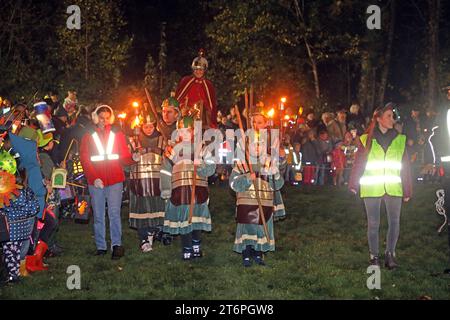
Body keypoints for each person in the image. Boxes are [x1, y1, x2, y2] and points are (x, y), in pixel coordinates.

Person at [349, 103, 412, 269]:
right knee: (373, 224)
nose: (392, 119)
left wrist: (407, 189)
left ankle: (390, 255)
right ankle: (374, 256)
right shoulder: (366, 139)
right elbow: (359, 164)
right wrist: (353, 183)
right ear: (378, 119)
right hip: (372, 187)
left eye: (393, 116)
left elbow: (405, 166)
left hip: (394, 188)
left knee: (394, 222)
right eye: (389, 116)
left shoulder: (400, 139)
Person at [230, 108, 284, 267]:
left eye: (259, 122)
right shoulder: (243, 159)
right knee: (247, 225)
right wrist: (248, 176)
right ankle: (246, 253)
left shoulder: (269, 154)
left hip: (265, 200)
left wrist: (275, 173)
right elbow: (233, 182)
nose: (255, 125)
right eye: (253, 122)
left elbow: (278, 184)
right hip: (247, 200)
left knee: (262, 225)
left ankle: (258, 254)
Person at [80, 105, 135, 259]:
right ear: (96, 118)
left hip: (115, 179)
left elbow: (123, 155)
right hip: (96, 181)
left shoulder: (117, 134)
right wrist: (93, 177)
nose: (104, 120)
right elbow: (85, 158)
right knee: (98, 214)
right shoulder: (88, 135)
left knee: (114, 213)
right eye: (101, 117)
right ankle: (101, 246)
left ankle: (116, 245)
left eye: (106, 117)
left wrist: (133, 159)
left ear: (110, 118)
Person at [160, 116, 216, 261]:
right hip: (180, 191)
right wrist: (166, 188)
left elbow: (211, 169)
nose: (184, 134)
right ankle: (186, 248)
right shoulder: (172, 150)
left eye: (187, 131)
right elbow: (166, 170)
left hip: (198, 191)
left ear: (193, 132)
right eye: (181, 131)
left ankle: (196, 245)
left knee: (196, 219)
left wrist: (201, 164)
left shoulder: (201, 148)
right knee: (184, 220)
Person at [128, 113, 167, 252]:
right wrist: (132, 157)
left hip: (157, 180)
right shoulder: (133, 140)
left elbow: (168, 158)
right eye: (146, 126)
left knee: (157, 207)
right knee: (142, 208)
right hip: (140, 181)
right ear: (141, 126)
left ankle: (155, 232)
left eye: (151, 126)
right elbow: (127, 160)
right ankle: (144, 238)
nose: (149, 129)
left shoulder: (162, 139)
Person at [175, 49, 217, 128]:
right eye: (196, 69)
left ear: (204, 71)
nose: (198, 72)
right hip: (186, 116)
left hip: (203, 118)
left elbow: (212, 105)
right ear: (193, 70)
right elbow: (178, 98)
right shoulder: (186, 80)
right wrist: (183, 107)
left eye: (200, 69)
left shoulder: (208, 85)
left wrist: (212, 120)